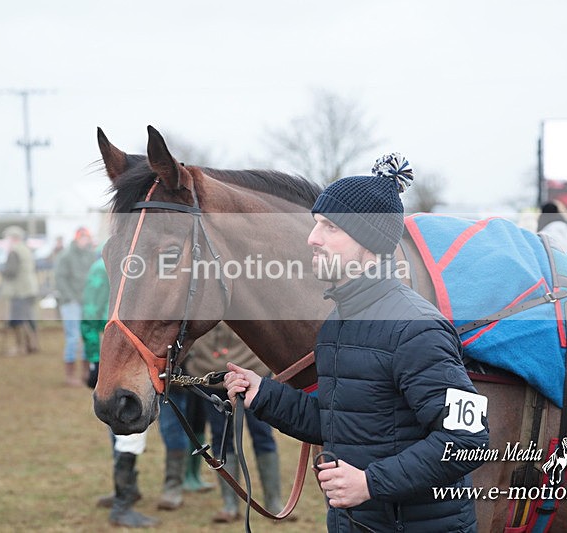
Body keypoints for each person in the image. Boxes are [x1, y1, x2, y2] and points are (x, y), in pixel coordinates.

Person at [224, 153, 490, 532]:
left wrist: (369, 483)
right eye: (316, 225)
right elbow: (343, 425)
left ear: (369, 243)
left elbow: (469, 439)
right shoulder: (336, 324)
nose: (312, 238)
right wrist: (264, 395)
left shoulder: (416, 328)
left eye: (330, 227)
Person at [81, 251, 157, 528]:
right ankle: (122, 504)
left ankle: (124, 490)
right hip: (119, 354)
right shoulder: (109, 263)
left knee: (122, 424)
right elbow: (90, 314)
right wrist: (93, 359)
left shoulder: (136, 259)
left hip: (129, 351)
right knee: (128, 423)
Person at [186, 322, 287, 523]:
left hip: (252, 370)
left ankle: (274, 502)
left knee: (262, 434)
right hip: (209, 373)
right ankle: (230, 504)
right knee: (221, 438)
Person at [54, 227, 95, 386]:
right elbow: (60, 278)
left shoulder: (90, 255)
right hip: (71, 303)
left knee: (87, 337)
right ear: (77, 238)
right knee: (73, 338)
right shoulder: (66, 256)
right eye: (83, 237)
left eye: (87, 237)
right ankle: (70, 376)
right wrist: (70, 297)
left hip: (86, 303)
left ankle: (85, 373)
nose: (85, 240)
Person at [0, 226, 39, 356]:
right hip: (29, 288)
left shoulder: (14, 251)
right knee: (28, 318)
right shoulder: (26, 249)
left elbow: (11, 271)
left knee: (18, 320)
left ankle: (21, 347)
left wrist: (2, 271)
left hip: (19, 290)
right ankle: (32, 344)